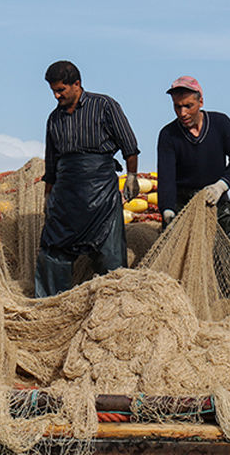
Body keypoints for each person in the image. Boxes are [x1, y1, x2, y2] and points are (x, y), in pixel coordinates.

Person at [36, 60, 139, 297]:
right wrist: (48, 196)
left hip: (100, 189)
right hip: (65, 193)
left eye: (61, 89)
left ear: (77, 84)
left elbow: (130, 147)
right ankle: (51, 304)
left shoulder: (104, 106)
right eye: (53, 90)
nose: (56, 95)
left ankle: (113, 302)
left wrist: (132, 176)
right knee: (53, 250)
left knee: (109, 253)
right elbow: (51, 163)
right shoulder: (54, 119)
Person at [156, 76, 230, 241]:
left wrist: (221, 185)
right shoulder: (168, 135)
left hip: (215, 199)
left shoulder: (221, 124)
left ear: (201, 102)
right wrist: (167, 210)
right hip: (182, 203)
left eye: (188, 106)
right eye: (177, 107)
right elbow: (166, 178)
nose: (182, 113)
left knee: (225, 232)